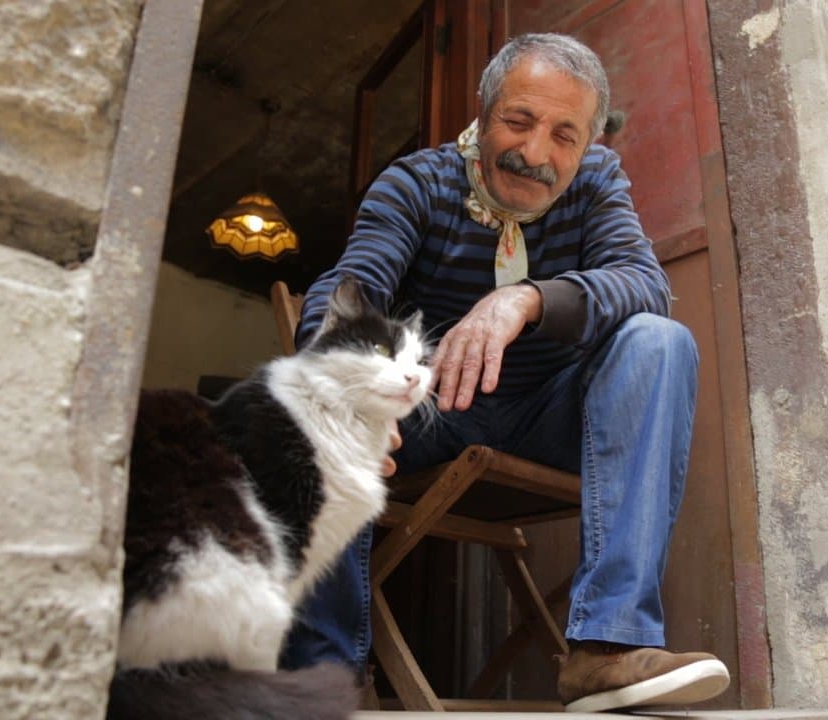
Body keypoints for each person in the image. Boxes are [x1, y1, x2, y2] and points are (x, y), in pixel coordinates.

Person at [281, 32, 729, 712]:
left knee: (659, 341)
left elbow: (645, 283)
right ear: (484, 112)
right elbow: (354, 286)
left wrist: (525, 299)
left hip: (549, 416)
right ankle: (328, 676)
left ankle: (605, 648)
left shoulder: (597, 182)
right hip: (430, 413)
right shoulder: (415, 182)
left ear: (587, 144)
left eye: (564, 135)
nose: (536, 153)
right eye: (518, 121)